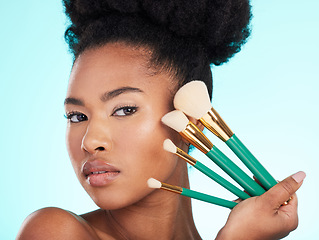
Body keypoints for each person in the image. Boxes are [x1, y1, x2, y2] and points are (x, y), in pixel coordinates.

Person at [17, 0, 305, 239]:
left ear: (192, 119)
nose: (91, 141)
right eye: (76, 116)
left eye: (124, 109)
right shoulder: (53, 231)